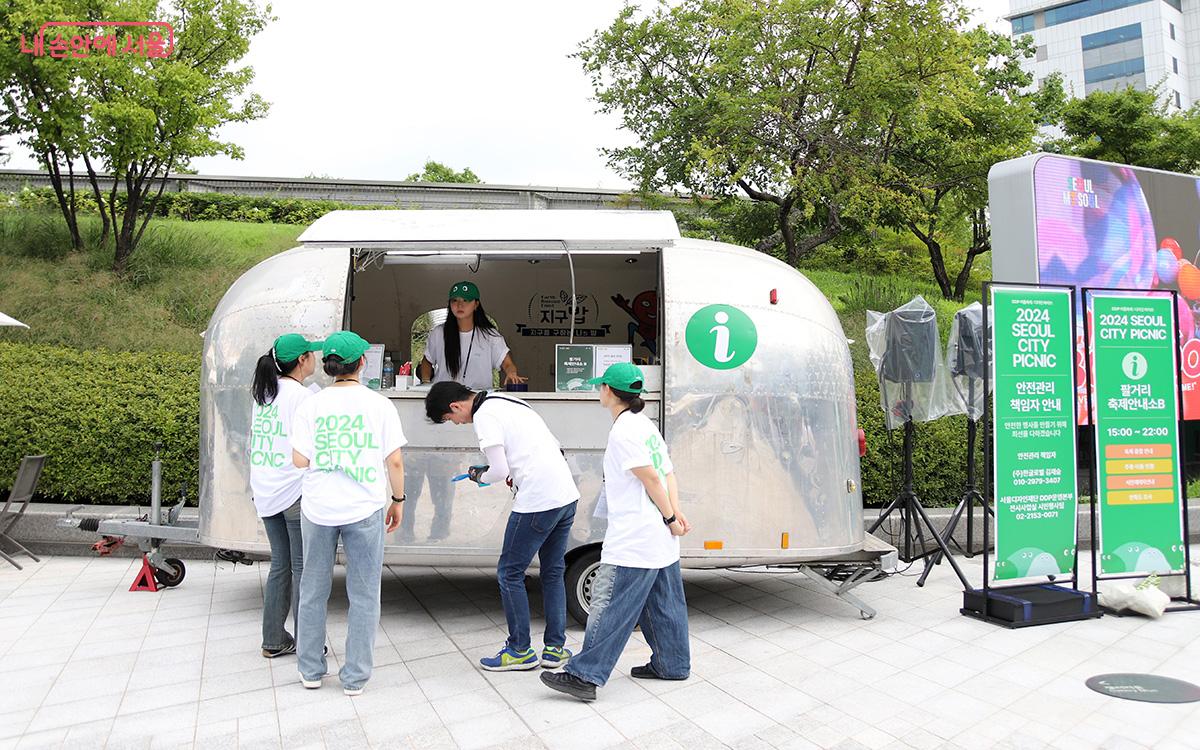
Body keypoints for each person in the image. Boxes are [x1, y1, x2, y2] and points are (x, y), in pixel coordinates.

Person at [540, 363, 691, 702]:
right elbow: (668, 473)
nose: (599, 391)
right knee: (664, 603)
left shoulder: (624, 432)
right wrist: (675, 515)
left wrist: (670, 517)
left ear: (609, 391)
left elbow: (651, 478)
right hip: (659, 538)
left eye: (601, 386)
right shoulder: (646, 426)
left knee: (609, 604)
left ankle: (585, 674)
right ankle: (672, 663)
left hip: (637, 537)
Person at [425, 380, 579, 671]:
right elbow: (539, 448)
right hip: (565, 495)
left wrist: (479, 477)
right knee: (553, 571)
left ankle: (520, 650)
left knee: (509, 573)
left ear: (456, 406)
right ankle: (555, 649)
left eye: (450, 418)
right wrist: (509, 472)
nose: (456, 424)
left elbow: (499, 470)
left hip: (537, 501)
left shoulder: (484, 416)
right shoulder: (506, 401)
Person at [290, 331, 407, 696]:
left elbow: (299, 460)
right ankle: (354, 677)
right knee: (364, 593)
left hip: (319, 507)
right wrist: (398, 500)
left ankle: (310, 670)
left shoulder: (310, 405)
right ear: (362, 363)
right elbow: (395, 461)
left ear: (328, 367)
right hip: (364, 508)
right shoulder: (379, 404)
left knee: (313, 588)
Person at [249, 333, 322, 659]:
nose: (315, 359)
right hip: (293, 492)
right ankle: (308, 642)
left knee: (280, 564)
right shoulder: (302, 397)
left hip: (265, 490)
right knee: (303, 567)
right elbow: (313, 447)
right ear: (303, 360)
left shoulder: (264, 393)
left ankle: (274, 639)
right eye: (311, 354)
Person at [418, 281, 526, 389]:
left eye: (466, 300)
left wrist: (511, 373)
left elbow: (507, 363)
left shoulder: (490, 335)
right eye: (455, 300)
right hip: (444, 397)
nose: (460, 305)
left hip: (478, 398)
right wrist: (426, 383)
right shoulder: (439, 333)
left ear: (476, 304)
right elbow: (427, 361)